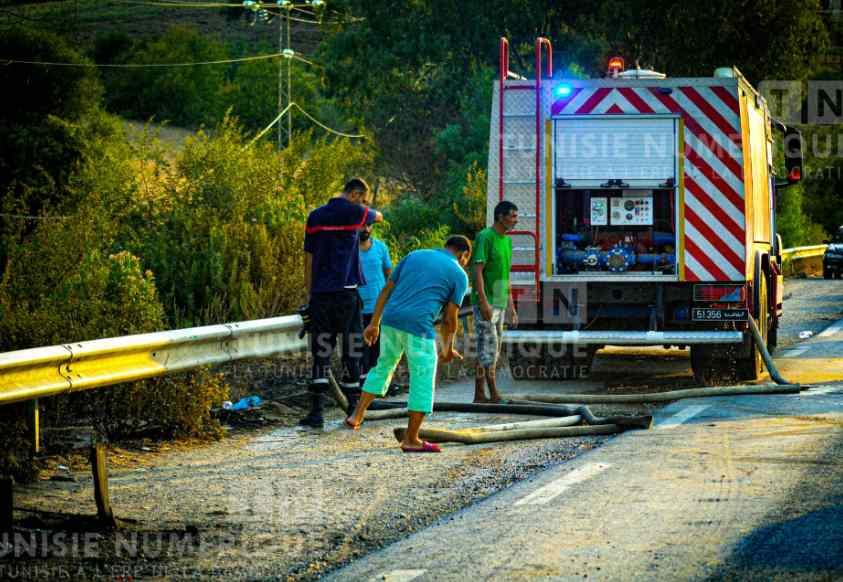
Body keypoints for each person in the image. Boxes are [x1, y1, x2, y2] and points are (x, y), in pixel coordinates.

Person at [344, 236, 472, 453]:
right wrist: (447, 349)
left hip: (391, 320)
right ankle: (411, 439)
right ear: (464, 255)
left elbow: (386, 290)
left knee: (383, 365)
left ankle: (357, 415)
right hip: (419, 326)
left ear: (446, 246)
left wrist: (374, 323)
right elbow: (450, 319)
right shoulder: (459, 274)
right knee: (422, 378)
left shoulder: (415, 255)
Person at [300, 178, 383, 429]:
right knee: (352, 353)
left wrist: (309, 294)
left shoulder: (315, 216)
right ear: (356, 194)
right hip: (346, 296)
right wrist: (366, 210)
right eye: (364, 199)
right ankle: (352, 408)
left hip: (321, 295)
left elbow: (308, 258)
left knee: (321, 353)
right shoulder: (355, 212)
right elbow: (378, 216)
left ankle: (316, 413)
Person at [471, 200, 519, 403]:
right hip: (487, 302)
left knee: (492, 349)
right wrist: (483, 302)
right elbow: (477, 271)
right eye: (512, 216)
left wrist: (511, 306)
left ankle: (480, 394)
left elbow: (505, 275)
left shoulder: (507, 241)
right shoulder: (485, 237)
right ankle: (492, 393)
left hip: (499, 302)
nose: (515, 220)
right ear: (500, 216)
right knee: (488, 348)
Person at [357, 223, 393, 388]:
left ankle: (377, 387)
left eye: (368, 225)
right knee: (360, 351)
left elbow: (389, 276)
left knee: (379, 352)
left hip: (379, 309)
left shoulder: (380, 247)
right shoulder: (349, 249)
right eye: (361, 225)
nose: (365, 229)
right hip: (357, 309)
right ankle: (362, 387)